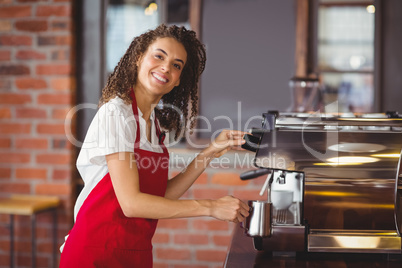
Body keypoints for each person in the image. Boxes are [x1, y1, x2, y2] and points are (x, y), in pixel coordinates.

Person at [59, 24, 250, 267]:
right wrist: (210, 207)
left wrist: (210, 151)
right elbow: (132, 204)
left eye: (176, 65)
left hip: (135, 253)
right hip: (96, 252)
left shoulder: (153, 124)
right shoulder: (116, 113)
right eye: (159, 56)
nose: (166, 68)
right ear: (139, 58)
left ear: (178, 80)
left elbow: (162, 196)